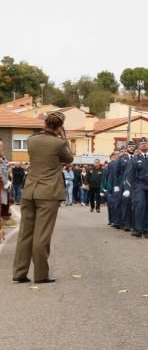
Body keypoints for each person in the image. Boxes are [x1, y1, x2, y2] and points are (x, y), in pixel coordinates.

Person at [12, 111, 74, 284]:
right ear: (60, 126)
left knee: (25, 233)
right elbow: (69, 158)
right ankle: (41, 275)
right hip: (48, 193)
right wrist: (64, 137)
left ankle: (19, 272)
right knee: (42, 235)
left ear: (45, 123)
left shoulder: (32, 140)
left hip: (29, 190)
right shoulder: (59, 143)